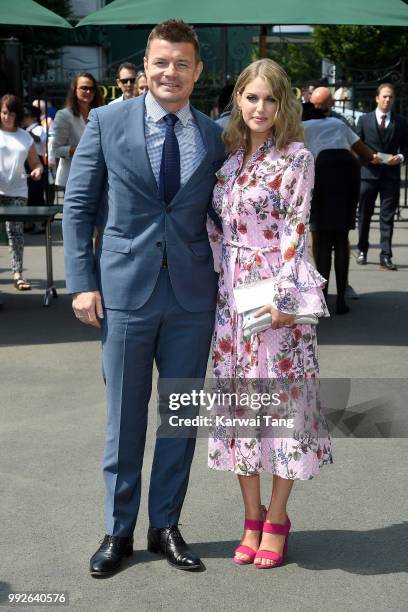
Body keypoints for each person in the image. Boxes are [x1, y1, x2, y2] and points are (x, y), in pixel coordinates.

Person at [62, 19, 225, 577]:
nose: (170, 72)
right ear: (145, 66)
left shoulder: (213, 135)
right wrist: (82, 282)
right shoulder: (106, 123)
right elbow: (79, 207)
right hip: (125, 294)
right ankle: (118, 531)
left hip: (191, 299)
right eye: (161, 62)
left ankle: (166, 526)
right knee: (124, 419)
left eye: (182, 63)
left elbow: (228, 213)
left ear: (197, 71)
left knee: (180, 418)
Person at [207, 59, 332, 569]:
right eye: (251, 97)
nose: (260, 108)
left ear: (285, 106)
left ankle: (277, 518)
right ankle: (251, 516)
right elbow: (217, 227)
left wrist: (287, 302)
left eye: (270, 100)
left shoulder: (296, 157)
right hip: (231, 299)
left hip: (274, 300)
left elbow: (297, 230)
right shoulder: (230, 157)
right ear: (238, 99)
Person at [302, 99, 376, 314]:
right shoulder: (337, 123)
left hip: (321, 174)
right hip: (346, 173)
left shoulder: (301, 127)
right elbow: (365, 153)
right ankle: (341, 299)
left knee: (321, 239)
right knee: (341, 239)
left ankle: (322, 298)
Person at [356, 83, 408, 270]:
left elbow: (406, 146)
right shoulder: (364, 120)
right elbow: (356, 144)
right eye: (384, 96)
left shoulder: (401, 122)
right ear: (377, 98)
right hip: (368, 175)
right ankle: (362, 250)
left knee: (387, 217)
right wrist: (369, 157)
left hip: (390, 176)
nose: (387, 100)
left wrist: (400, 157)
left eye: (391, 97)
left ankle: (385, 255)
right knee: (364, 215)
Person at [0, 94, 42, 291]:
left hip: (18, 190)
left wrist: (37, 171)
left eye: (11, 113)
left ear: (18, 115)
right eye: (4, 112)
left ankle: (17, 273)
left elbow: (35, 163)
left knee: (15, 232)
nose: (7, 117)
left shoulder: (25, 136)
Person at [51, 72, 104, 190]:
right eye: (84, 88)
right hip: (71, 178)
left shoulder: (99, 114)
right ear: (75, 90)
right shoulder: (64, 115)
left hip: (96, 177)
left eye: (92, 88)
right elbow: (56, 150)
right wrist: (82, 151)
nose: (88, 92)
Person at [23, 105, 47, 232]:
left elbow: (38, 140)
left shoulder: (39, 129)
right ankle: (29, 222)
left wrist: (28, 133)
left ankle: (39, 223)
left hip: (36, 162)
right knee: (29, 194)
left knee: (36, 194)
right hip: (26, 163)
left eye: (25, 116)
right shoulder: (25, 129)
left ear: (32, 117)